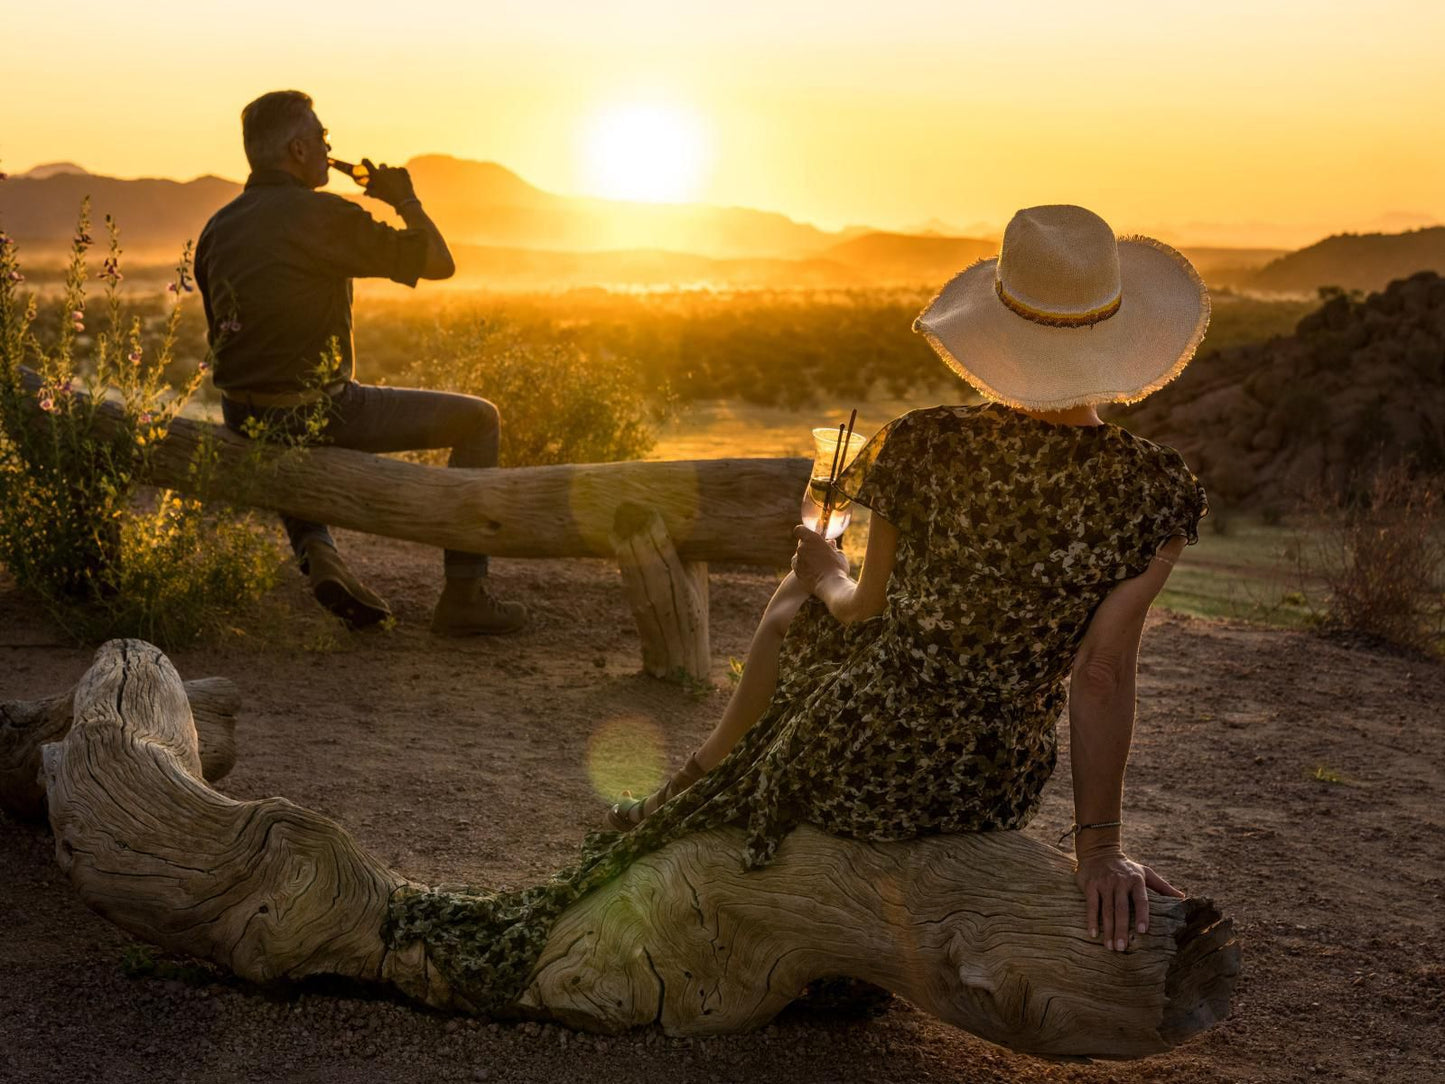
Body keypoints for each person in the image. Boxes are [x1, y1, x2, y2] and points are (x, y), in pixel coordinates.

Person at [385, 204, 1210, 1008]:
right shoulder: (1153, 490)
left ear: (998, 328)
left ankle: (691, 789)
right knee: (814, 622)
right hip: (985, 781)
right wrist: (1098, 850)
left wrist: (822, 569)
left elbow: (862, 611)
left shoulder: (923, 443)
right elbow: (1099, 677)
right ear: (1112, 329)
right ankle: (699, 796)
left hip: (863, 747)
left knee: (801, 603)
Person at [195, 90, 526, 636]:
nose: (331, 148)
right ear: (298, 150)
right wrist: (404, 200)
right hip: (321, 414)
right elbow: (439, 263)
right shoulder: (323, 216)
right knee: (479, 418)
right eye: (323, 138)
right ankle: (465, 594)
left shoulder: (218, 226)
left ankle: (316, 545)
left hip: (242, 415)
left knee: (280, 406)